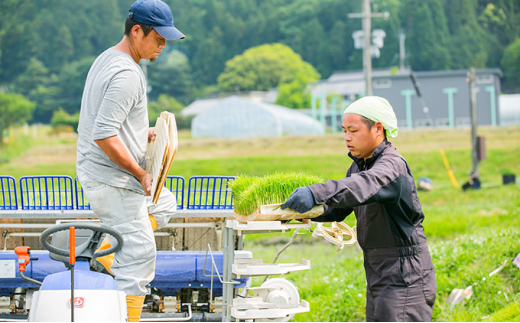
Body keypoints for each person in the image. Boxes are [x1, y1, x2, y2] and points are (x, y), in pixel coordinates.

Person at [281, 96, 436, 322]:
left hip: (404, 276)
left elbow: (363, 186)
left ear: (378, 128)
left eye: (353, 130)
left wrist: (315, 192)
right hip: (378, 273)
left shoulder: (391, 166)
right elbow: (337, 209)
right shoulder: (359, 165)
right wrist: (297, 212)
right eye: (344, 131)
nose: (346, 138)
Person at [76, 0, 184, 321]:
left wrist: (143, 133)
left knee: (164, 203)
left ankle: (109, 256)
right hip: (113, 180)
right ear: (137, 31)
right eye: (159, 38)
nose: (163, 45)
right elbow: (105, 135)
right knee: (140, 253)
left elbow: (111, 124)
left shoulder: (108, 59)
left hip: (98, 171)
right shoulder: (128, 75)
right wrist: (140, 172)